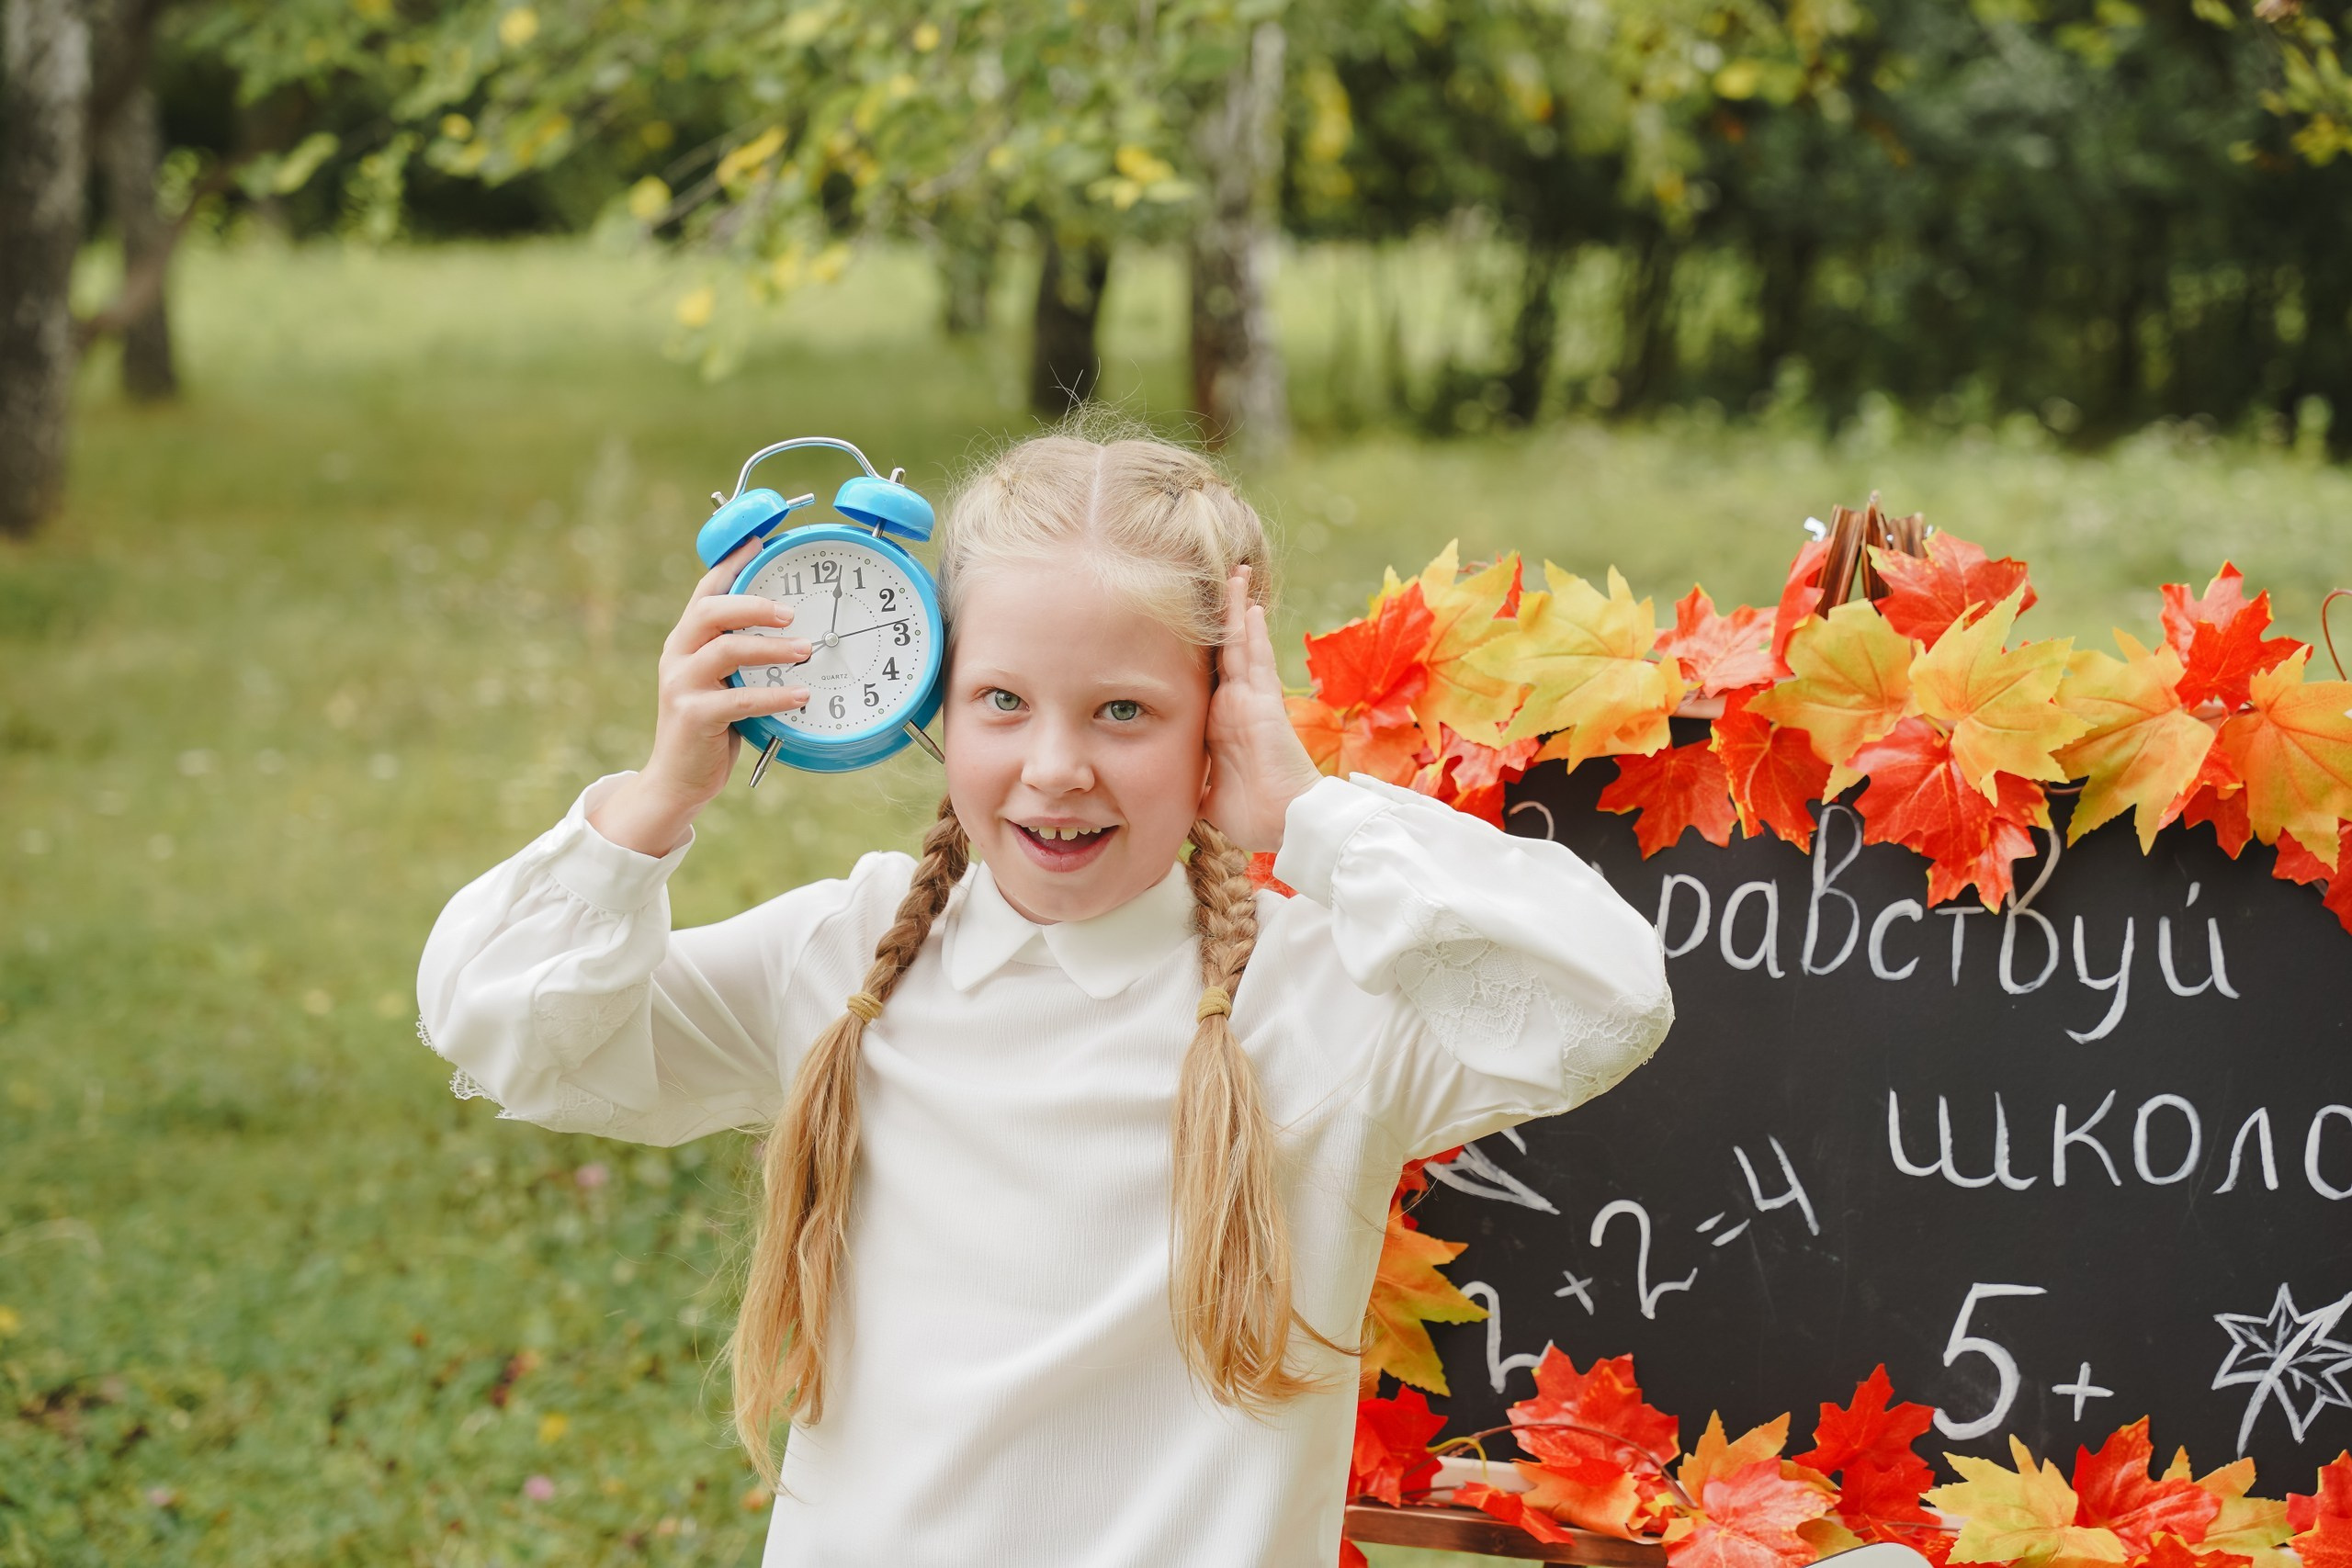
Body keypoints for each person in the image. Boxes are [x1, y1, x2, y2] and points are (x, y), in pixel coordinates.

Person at [415, 430, 1675, 1567]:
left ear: (1219, 726)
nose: (1057, 767)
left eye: (1126, 711)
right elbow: (508, 1029)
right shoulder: (847, 964)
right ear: (932, 709)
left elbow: (1608, 1002)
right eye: (1003, 703)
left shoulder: (1324, 995)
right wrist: (656, 800)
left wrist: (1310, 817)